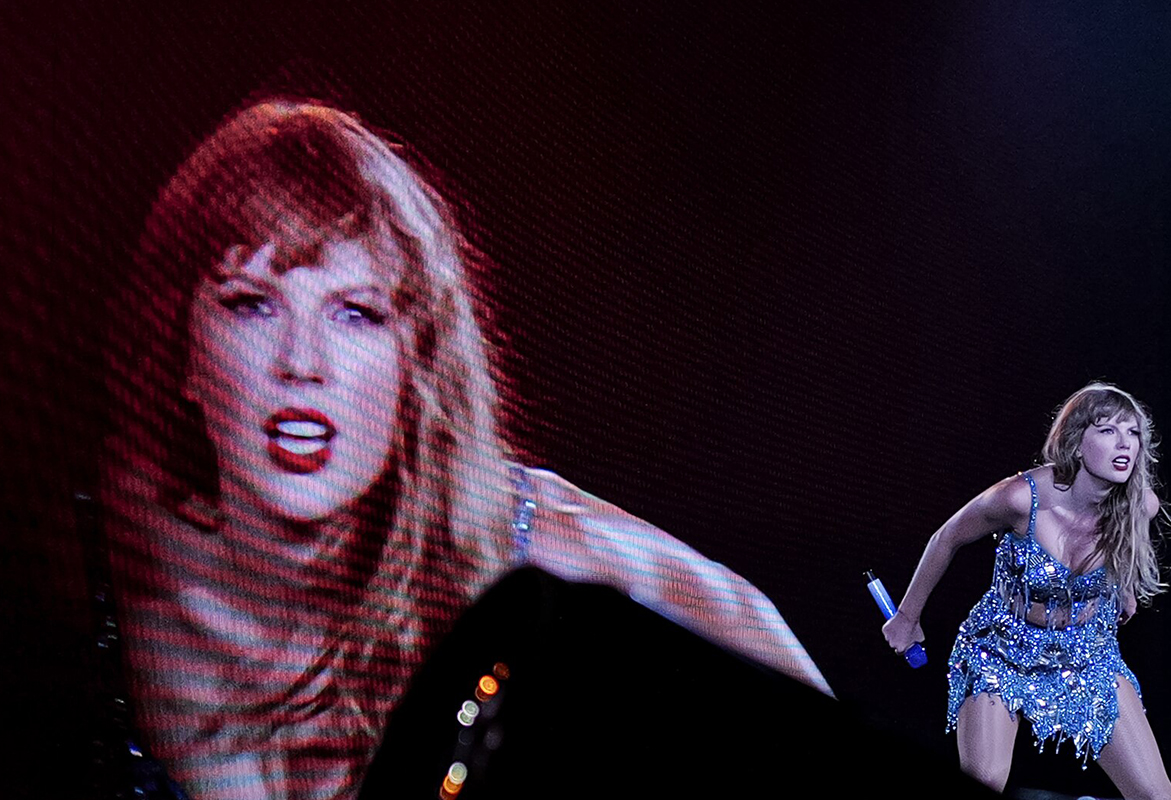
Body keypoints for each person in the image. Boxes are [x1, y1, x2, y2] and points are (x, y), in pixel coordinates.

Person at [103, 99, 830, 800]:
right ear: (184, 351)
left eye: (355, 313)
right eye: (252, 305)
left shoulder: (536, 547)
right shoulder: (123, 585)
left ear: (415, 358)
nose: (301, 362)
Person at [881, 383, 1171, 799]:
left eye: (1132, 433)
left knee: (1156, 794)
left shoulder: (1140, 505)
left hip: (1088, 653)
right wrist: (907, 617)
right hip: (1002, 650)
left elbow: (1126, 548)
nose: (1124, 443)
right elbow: (946, 538)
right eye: (1108, 430)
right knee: (985, 780)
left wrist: (1123, 590)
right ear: (1076, 442)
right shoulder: (1020, 497)